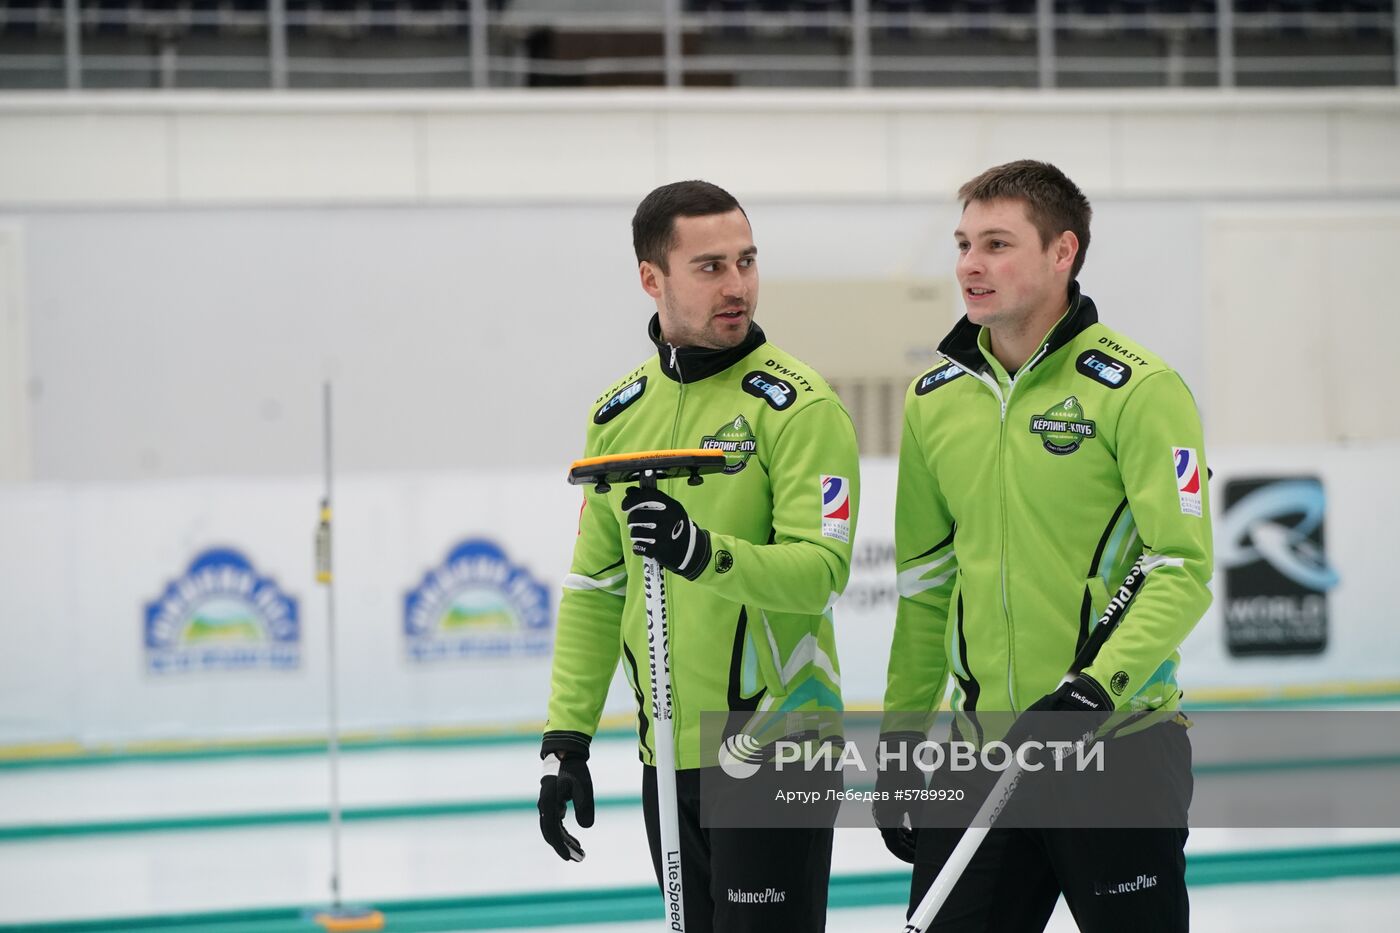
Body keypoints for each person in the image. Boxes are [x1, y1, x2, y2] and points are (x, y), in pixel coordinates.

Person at [875, 160, 1213, 932]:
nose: (969, 264)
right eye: (964, 243)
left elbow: (1182, 568)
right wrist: (900, 745)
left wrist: (1098, 688)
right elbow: (927, 591)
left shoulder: (1138, 390)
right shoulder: (935, 401)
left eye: (997, 243)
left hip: (1117, 746)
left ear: (1063, 253)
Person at [538, 180, 861, 933]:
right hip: (667, 755)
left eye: (746, 261)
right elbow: (595, 588)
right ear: (653, 279)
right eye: (710, 266)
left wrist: (698, 550)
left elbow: (822, 570)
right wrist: (567, 740)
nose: (737, 285)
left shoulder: (799, 406)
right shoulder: (618, 413)